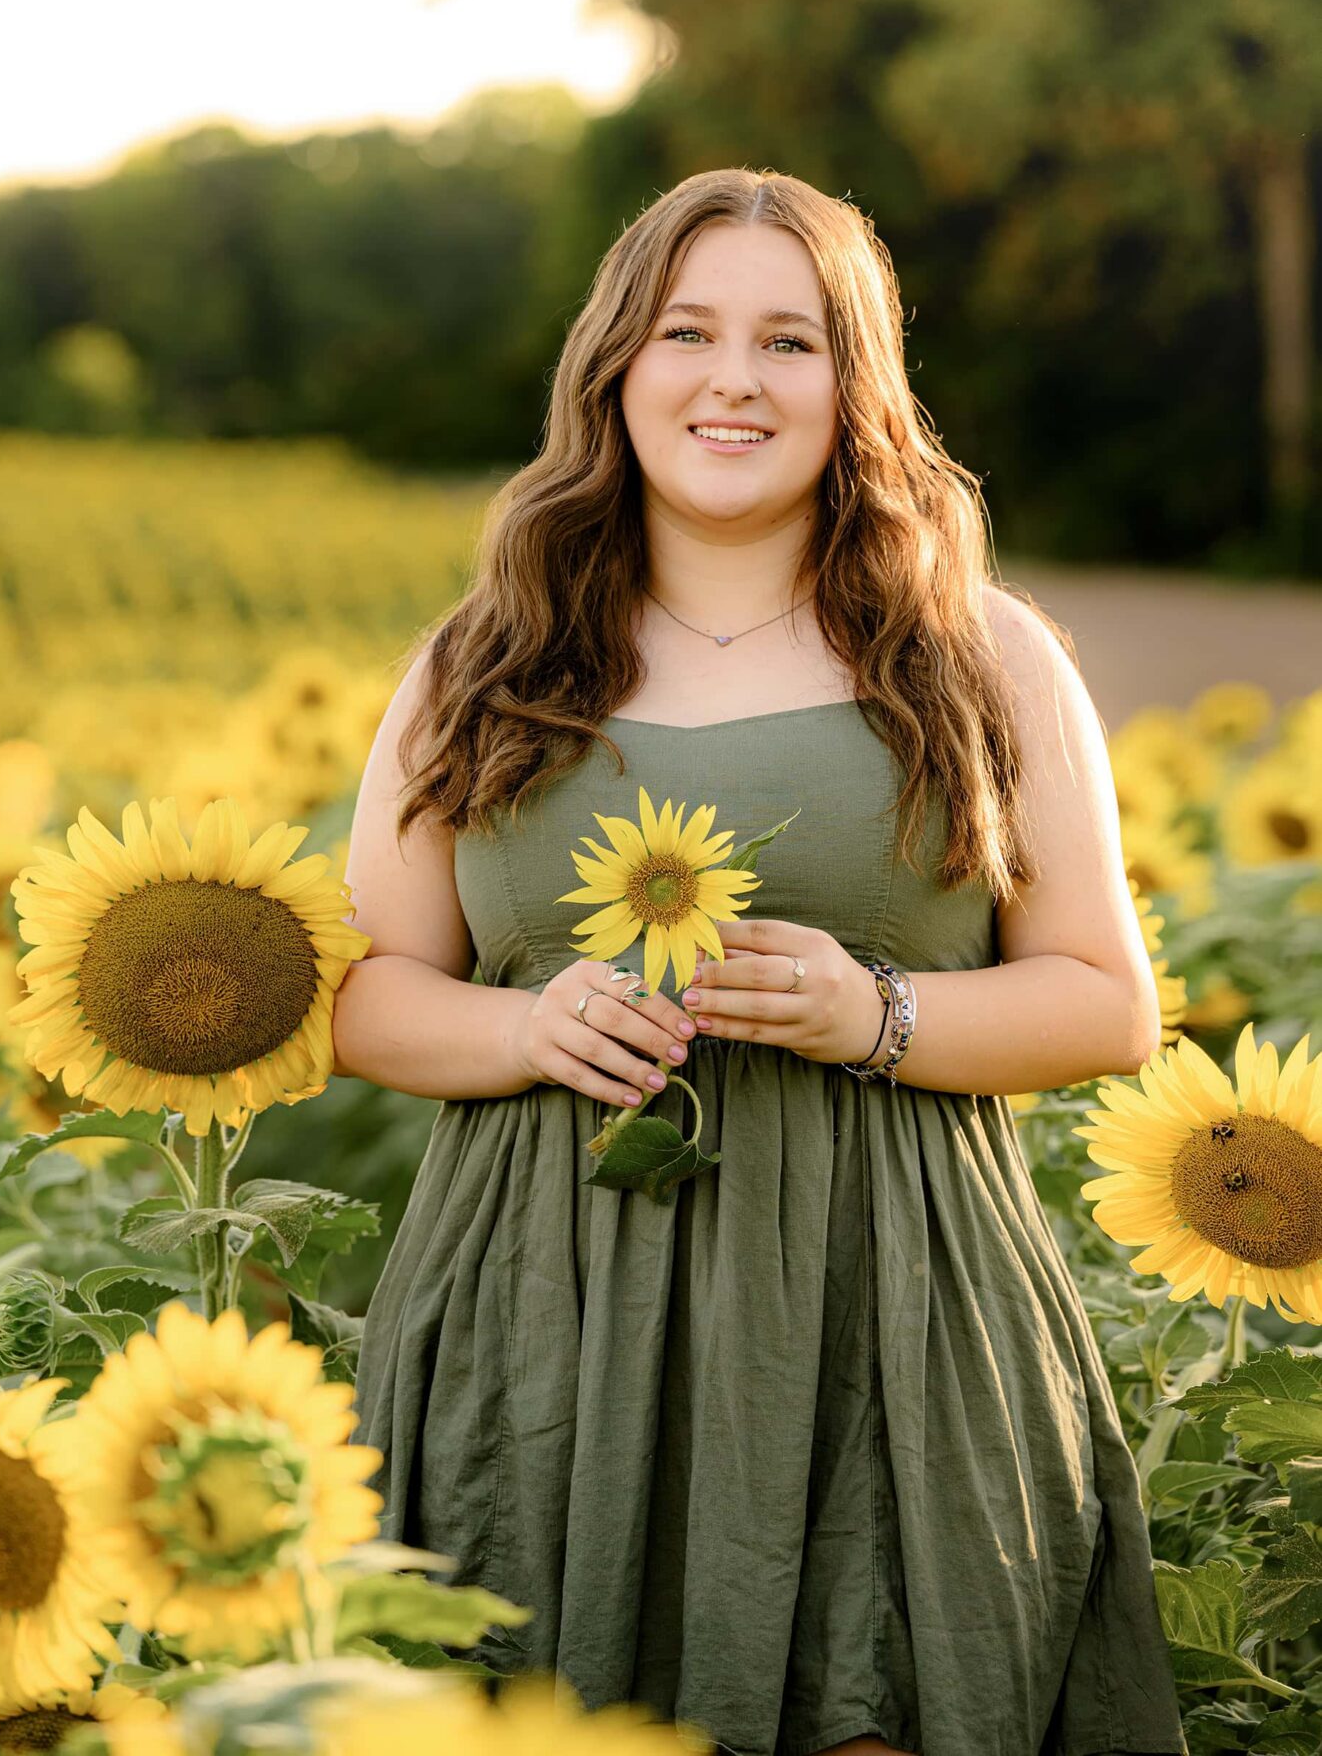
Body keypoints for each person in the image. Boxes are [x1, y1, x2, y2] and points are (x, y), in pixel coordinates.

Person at [331, 166, 1188, 1756]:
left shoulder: (981, 656)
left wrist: (877, 1013)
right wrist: (524, 1035)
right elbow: (372, 993)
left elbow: (1103, 1000)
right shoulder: (482, 660)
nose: (733, 379)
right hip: (543, 1319)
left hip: (889, 1311)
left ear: (853, 385)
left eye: (789, 341)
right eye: (687, 332)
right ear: (617, 370)